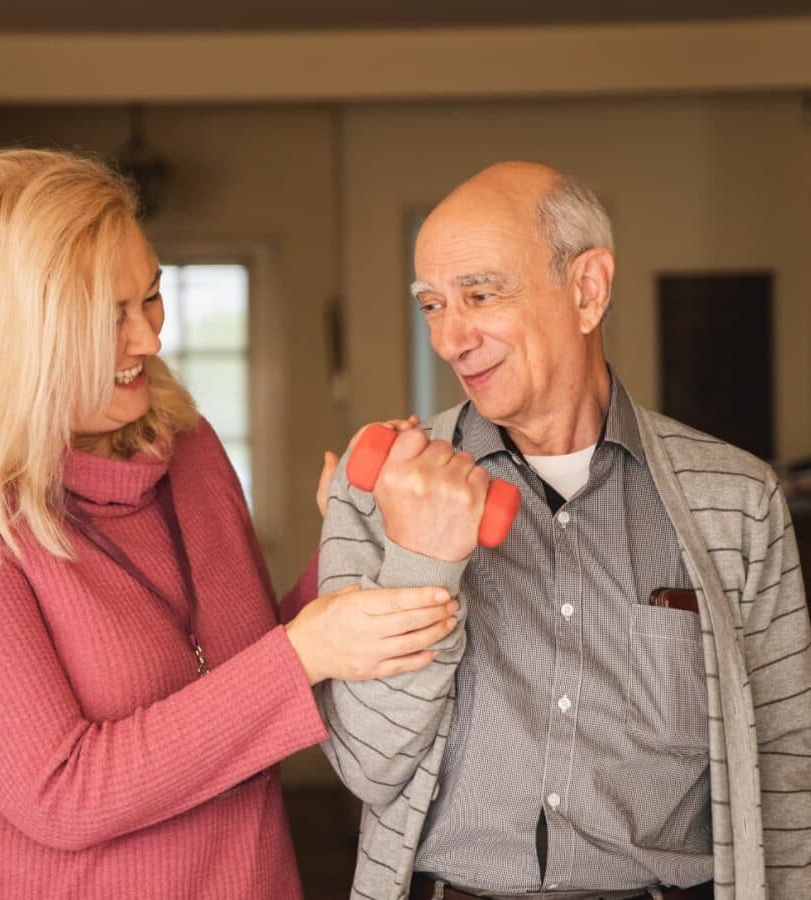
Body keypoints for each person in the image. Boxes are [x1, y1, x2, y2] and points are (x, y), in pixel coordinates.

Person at [0, 147, 461, 899]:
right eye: (109, 318)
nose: (149, 340)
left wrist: (358, 538)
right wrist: (305, 651)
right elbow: (62, 793)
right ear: (15, 340)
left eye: (152, 298)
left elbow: (240, 670)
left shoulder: (188, 448)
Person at [318, 162, 810, 900]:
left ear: (588, 290)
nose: (450, 338)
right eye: (431, 304)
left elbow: (786, 762)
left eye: (480, 295)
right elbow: (368, 762)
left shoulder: (737, 499)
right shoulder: (377, 492)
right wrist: (421, 558)